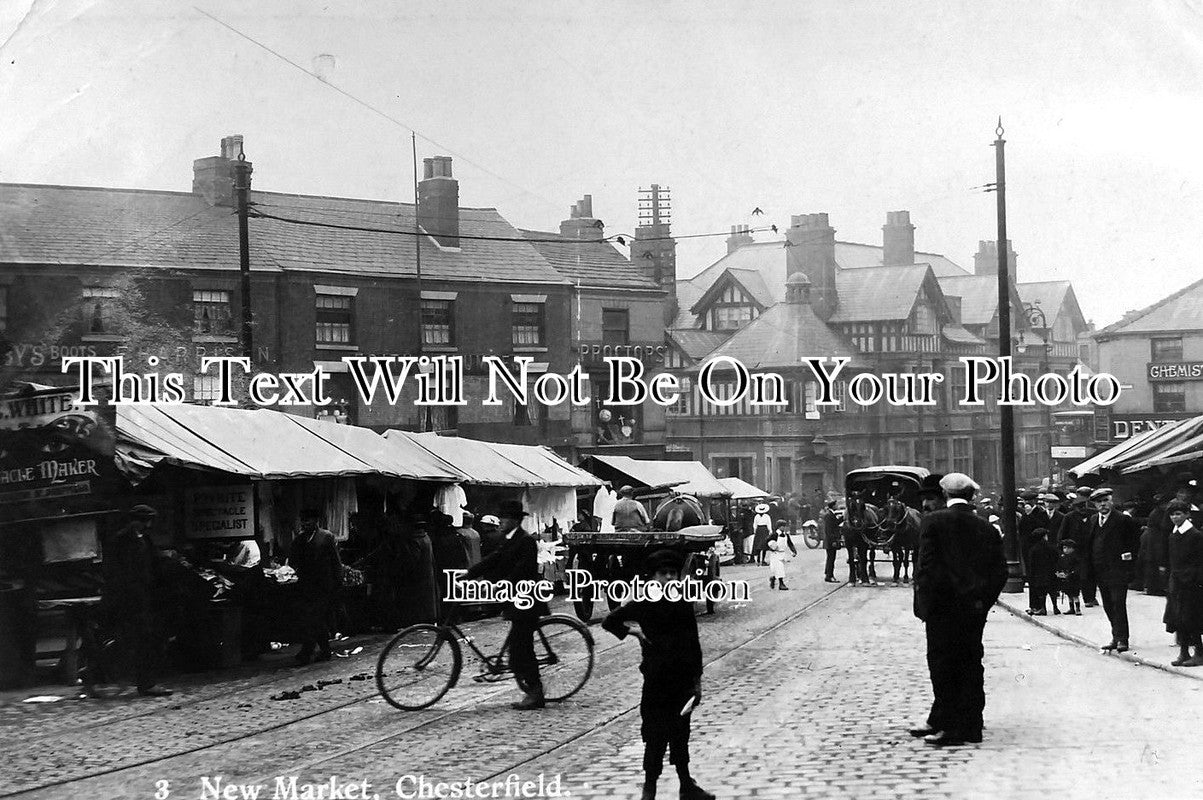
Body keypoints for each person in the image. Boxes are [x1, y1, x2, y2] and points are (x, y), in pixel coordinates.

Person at [602, 549, 714, 800]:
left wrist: (697, 680)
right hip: (656, 681)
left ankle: (686, 785)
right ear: (652, 578)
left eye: (673, 574)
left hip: (682, 680)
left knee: (681, 732)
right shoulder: (643, 603)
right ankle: (649, 788)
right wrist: (635, 633)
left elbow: (693, 642)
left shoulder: (683, 604)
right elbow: (610, 621)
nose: (669, 579)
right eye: (663, 574)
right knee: (654, 734)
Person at [910, 472, 1007, 747]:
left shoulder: (934, 522)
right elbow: (999, 571)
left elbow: (925, 568)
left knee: (943, 666)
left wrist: (925, 605)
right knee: (971, 663)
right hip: (973, 610)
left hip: (942, 610)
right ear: (972, 495)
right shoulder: (986, 527)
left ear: (945, 494)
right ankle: (971, 726)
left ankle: (949, 729)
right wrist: (982, 601)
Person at [464, 500, 548, 710]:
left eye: (505, 518)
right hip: (515, 600)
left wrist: (498, 585)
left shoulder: (526, 540)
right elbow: (494, 559)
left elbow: (523, 570)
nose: (501, 521)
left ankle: (535, 692)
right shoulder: (509, 539)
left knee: (522, 649)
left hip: (527, 601)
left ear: (515, 520)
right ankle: (531, 689)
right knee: (518, 647)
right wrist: (469, 574)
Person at [103, 505, 173, 697]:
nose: (147, 525)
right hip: (129, 600)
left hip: (146, 599)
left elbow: (154, 564)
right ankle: (139, 681)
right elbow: (115, 571)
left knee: (147, 642)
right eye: (145, 521)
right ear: (136, 521)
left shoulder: (146, 539)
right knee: (134, 641)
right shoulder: (121, 540)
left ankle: (146, 682)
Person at [1082, 487, 1141, 652]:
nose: (1103, 505)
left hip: (1118, 571)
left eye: (1105, 501)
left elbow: (1134, 545)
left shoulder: (1123, 520)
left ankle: (1123, 639)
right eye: (1099, 502)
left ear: (1111, 501)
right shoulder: (1093, 520)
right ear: (1094, 504)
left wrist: (1128, 567)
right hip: (1100, 571)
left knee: (1118, 603)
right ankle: (1115, 636)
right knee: (1107, 604)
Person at [289, 508, 343, 665]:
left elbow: (335, 561)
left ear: (315, 521)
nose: (305, 524)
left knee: (315, 618)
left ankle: (307, 651)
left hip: (324, 585)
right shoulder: (299, 540)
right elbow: (293, 560)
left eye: (308, 521)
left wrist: (338, 581)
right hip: (307, 585)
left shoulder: (326, 537)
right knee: (313, 619)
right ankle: (324, 650)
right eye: (303, 521)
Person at [1163, 500, 1203, 667]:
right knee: (1178, 618)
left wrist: (1195, 579)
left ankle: (1199, 653)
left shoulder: (1195, 535)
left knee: (1191, 618)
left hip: (1191, 582)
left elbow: (1200, 561)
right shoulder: (1173, 535)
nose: (1175, 517)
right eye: (1172, 514)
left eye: (1178, 513)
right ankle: (1184, 652)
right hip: (1176, 581)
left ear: (1187, 514)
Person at [1058, 487, 1099, 607]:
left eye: (1084, 506)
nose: (1082, 509)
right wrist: (1063, 550)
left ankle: (1090, 597)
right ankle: (1077, 599)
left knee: (1091, 574)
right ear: (1074, 507)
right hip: (1074, 552)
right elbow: (1062, 535)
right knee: (1077, 575)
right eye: (1079, 507)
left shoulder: (1094, 516)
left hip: (1090, 550)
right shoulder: (1069, 517)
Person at [1025, 528, 1059, 616]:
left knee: (1041, 593)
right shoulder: (1051, 547)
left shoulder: (1033, 549)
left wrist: (1030, 575)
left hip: (1039, 575)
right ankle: (1055, 607)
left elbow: (1031, 564)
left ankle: (1043, 608)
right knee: (1053, 591)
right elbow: (1057, 559)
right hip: (1051, 573)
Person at [1056, 539, 1083, 615]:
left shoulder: (1075, 557)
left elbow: (1078, 567)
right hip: (1066, 578)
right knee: (1069, 594)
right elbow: (1060, 565)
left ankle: (1077, 608)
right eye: (1064, 548)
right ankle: (1071, 608)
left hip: (1074, 578)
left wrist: (1072, 573)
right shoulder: (1063, 557)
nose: (1065, 550)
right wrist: (1060, 572)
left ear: (1072, 548)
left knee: (1075, 594)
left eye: (1067, 548)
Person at [766, 520, 796, 590]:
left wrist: (793, 551)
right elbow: (767, 541)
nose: (784, 528)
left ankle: (773, 578)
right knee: (779, 568)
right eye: (782, 526)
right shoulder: (774, 535)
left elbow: (790, 543)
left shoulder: (786, 535)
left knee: (778, 569)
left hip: (782, 553)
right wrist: (771, 547)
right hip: (775, 554)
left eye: (785, 526)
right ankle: (781, 583)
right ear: (779, 527)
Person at [820, 499, 841, 583]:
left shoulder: (830, 514)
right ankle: (829, 576)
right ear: (833, 506)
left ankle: (828, 574)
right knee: (831, 559)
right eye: (836, 504)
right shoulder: (829, 515)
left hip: (830, 541)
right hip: (830, 541)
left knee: (831, 558)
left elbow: (835, 523)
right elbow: (829, 530)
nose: (838, 506)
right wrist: (833, 541)